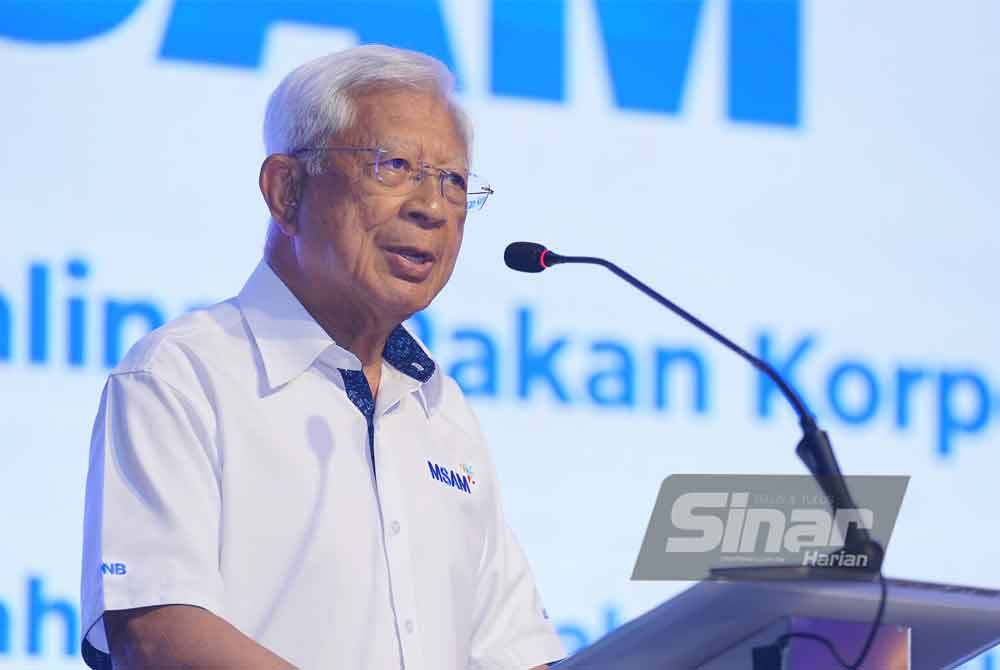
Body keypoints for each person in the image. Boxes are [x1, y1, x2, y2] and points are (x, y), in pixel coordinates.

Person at [80, 45, 565, 670]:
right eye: (394, 166)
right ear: (286, 191)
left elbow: (513, 648)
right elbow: (159, 632)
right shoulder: (183, 376)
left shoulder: (441, 410)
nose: (433, 207)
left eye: (453, 182)